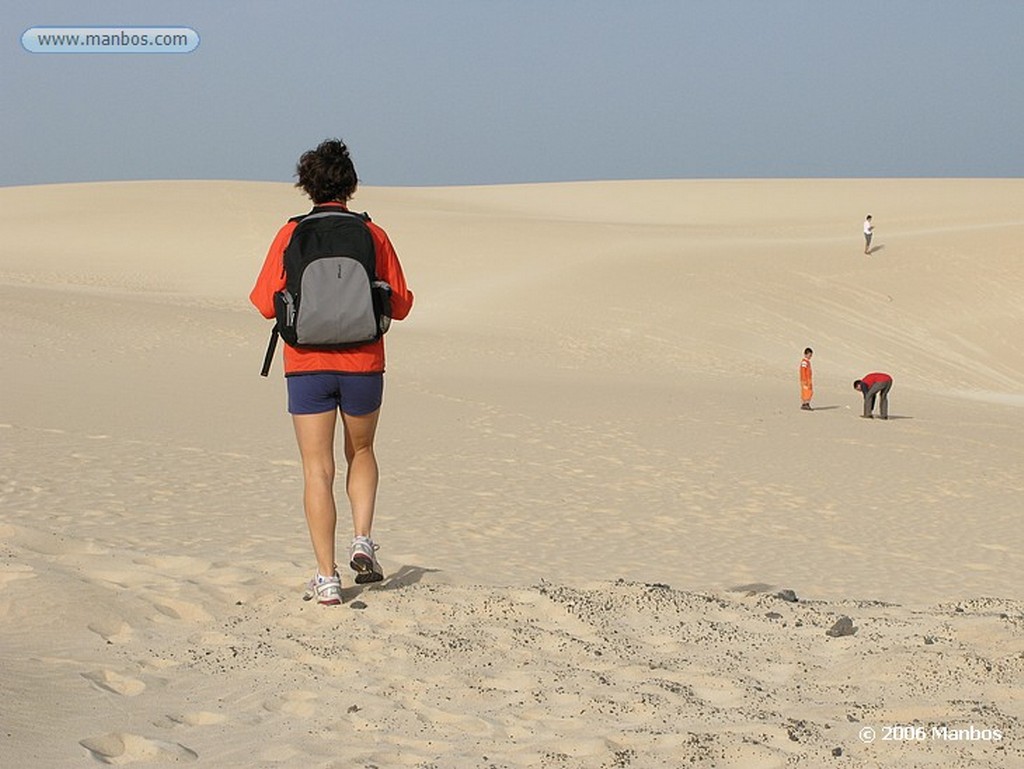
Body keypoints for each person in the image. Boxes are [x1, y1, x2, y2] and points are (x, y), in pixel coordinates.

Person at [250, 139, 414, 605]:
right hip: (364, 363)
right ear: (351, 184)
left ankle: (326, 578)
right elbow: (400, 305)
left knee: (316, 469)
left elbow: (264, 303)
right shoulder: (373, 234)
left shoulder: (289, 235)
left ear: (307, 185)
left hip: (306, 367)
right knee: (361, 450)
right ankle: (362, 538)